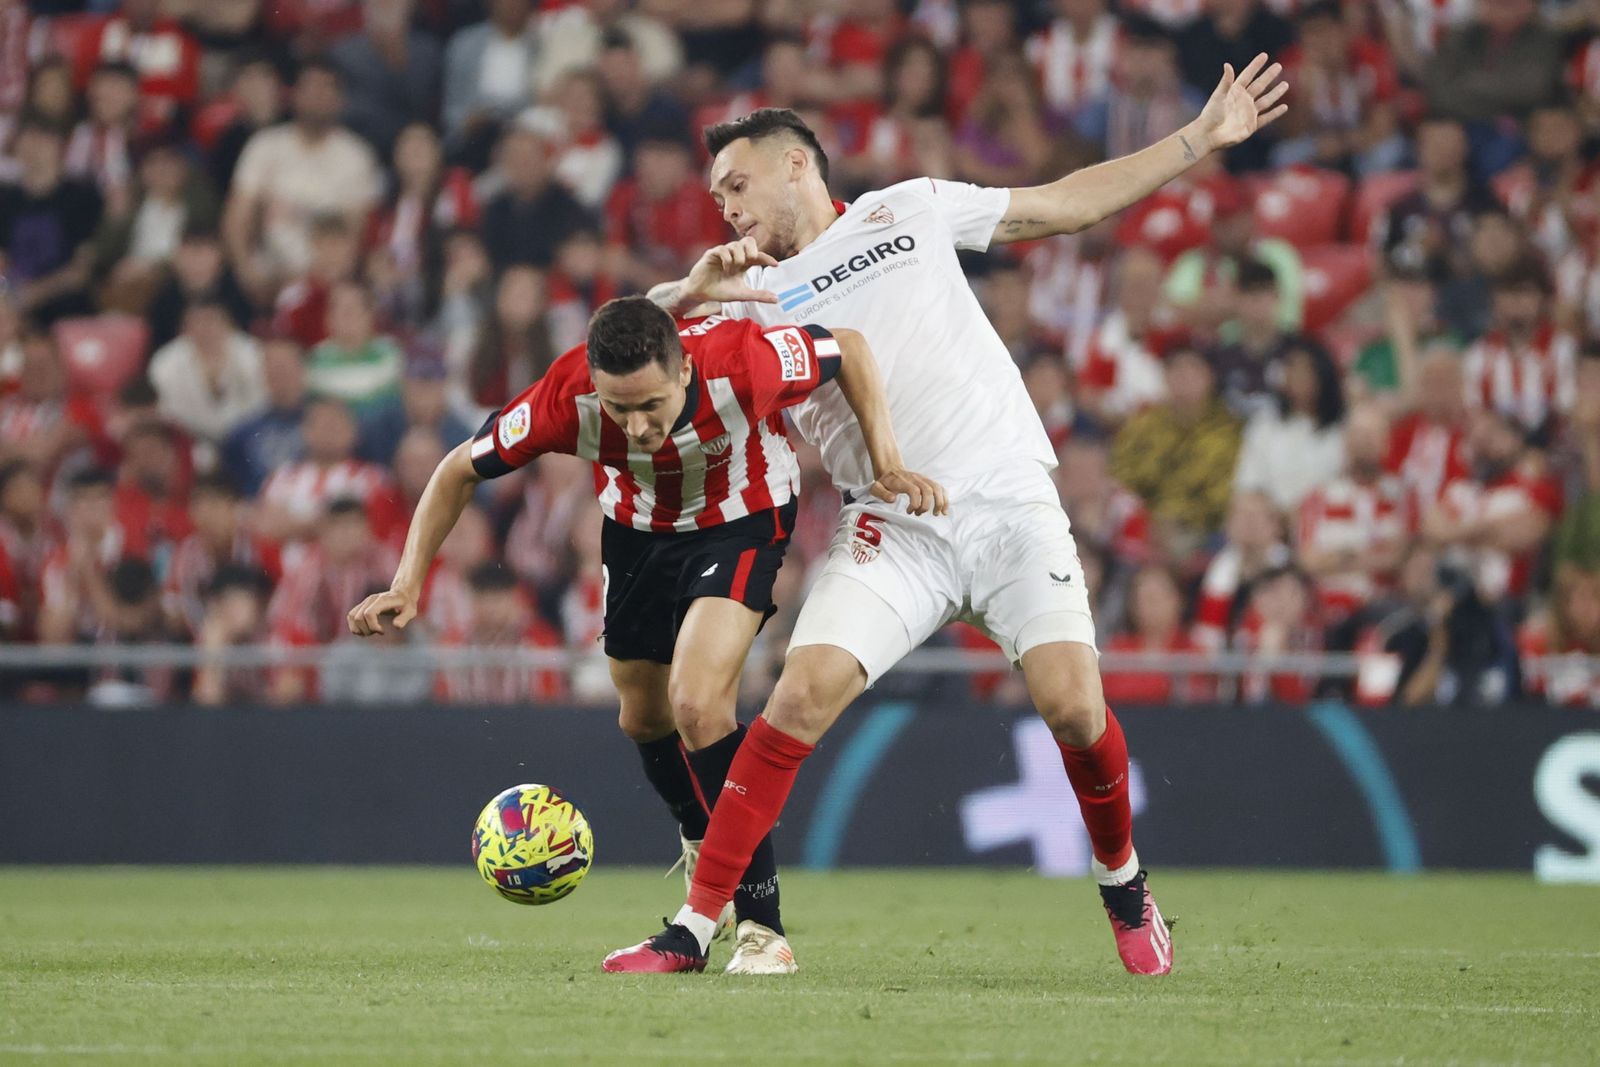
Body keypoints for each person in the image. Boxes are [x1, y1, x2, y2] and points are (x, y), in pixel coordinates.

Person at [606, 53, 1286, 976]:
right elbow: (634, 351)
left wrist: (1198, 139)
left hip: (1007, 498)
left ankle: (1124, 881)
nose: (725, 204)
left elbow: (1064, 202)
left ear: (797, 163)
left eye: (737, 182)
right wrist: (686, 292)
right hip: (893, 526)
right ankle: (692, 930)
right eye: (717, 193)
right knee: (796, 698)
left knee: (1075, 709)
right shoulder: (743, 295)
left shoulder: (910, 207)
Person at [347, 296, 938, 971]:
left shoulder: (741, 362)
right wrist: (406, 581)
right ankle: (701, 834)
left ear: (683, 371)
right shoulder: (566, 398)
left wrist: (885, 459)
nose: (635, 424)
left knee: (697, 704)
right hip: (635, 531)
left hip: (742, 517)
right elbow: (457, 469)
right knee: (642, 712)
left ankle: (761, 927)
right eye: (618, 408)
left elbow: (851, 348)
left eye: (650, 404)